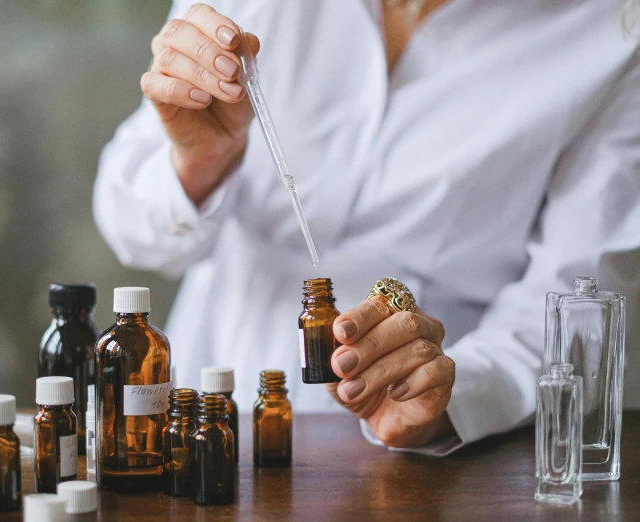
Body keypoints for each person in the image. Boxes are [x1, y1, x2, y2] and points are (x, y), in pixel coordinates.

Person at [93, 0, 640, 454]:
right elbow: (129, 226)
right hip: (217, 393)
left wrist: (450, 392)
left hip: (422, 450)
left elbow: (578, 308)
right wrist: (199, 163)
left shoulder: (611, 30)